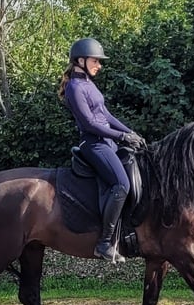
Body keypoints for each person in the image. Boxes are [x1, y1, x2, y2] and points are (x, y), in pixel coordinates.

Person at [58, 38, 146, 262]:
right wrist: (121, 136)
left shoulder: (88, 83)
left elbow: (106, 116)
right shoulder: (75, 88)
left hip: (107, 143)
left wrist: (130, 133)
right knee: (122, 184)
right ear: (81, 60)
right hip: (93, 144)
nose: (99, 65)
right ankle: (104, 243)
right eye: (95, 61)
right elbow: (89, 123)